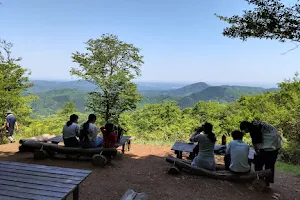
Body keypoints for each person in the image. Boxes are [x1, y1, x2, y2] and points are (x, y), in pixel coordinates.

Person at [240, 121, 284, 186]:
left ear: (246, 127)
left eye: (244, 130)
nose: (245, 132)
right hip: (277, 143)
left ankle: (259, 179)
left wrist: (257, 152)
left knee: (258, 163)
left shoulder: (253, 128)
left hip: (269, 144)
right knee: (270, 164)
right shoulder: (256, 124)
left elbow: (256, 143)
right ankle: (268, 181)